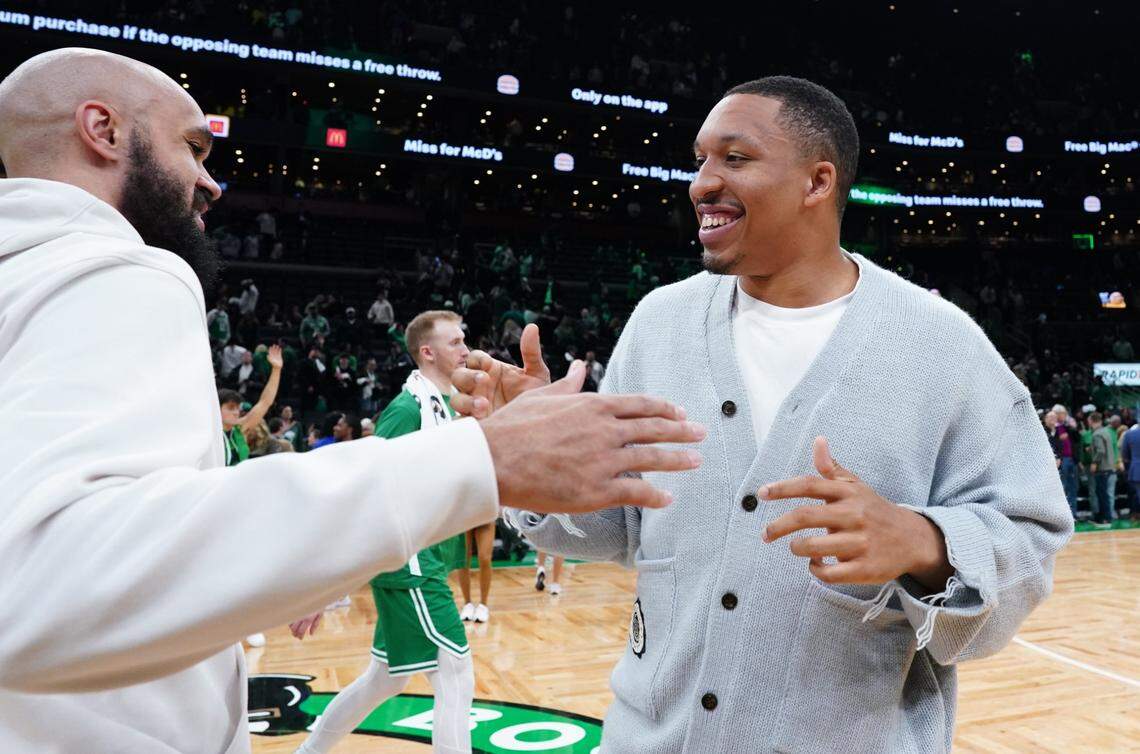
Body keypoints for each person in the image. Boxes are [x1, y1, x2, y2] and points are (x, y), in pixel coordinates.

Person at [0, 48, 705, 753]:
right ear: (103, 128)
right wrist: (482, 458)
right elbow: (36, 588)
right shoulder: (114, 270)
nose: (210, 182)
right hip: (397, 580)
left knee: (397, 675)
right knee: (445, 672)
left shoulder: (32, 273)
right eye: (193, 146)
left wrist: (306, 579)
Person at [453, 76, 1072, 752]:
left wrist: (924, 543)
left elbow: (1031, 532)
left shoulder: (940, 344)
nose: (701, 183)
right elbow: (609, 527)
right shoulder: (660, 323)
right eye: (700, 160)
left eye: (735, 158)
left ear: (817, 182)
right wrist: (532, 457)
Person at [293, 310, 476, 754]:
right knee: (456, 673)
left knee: (386, 680)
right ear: (427, 352)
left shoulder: (444, 405)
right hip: (412, 566)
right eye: (455, 342)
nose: (466, 349)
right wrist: (326, 584)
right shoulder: (406, 410)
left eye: (464, 340)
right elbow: (367, 491)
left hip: (426, 559)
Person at [1088, 412, 1115, 526]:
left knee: (1101, 494)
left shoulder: (1097, 434)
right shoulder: (1106, 431)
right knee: (1104, 493)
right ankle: (1105, 517)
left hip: (1102, 468)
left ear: (1091, 421)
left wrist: (1094, 462)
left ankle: (1106, 519)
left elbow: (1101, 451)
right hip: (1108, 466)